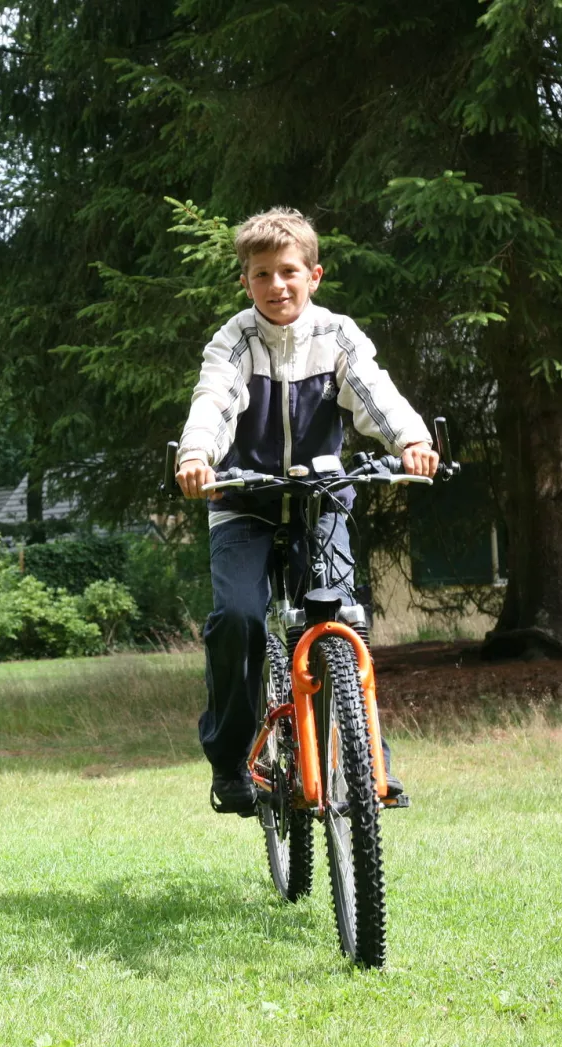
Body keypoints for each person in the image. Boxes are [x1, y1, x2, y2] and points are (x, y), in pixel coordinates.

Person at [174, 208, 438, 816]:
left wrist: (411, 441)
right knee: (239, 618)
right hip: (243, 503)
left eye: (288, 271)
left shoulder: (337, 335)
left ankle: (368, 762)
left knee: (345, 620)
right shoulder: (233, 339)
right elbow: (214, 401)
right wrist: (196, 457)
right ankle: (233, 759)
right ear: (247, 282)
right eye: (262, 274)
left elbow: (375, 392)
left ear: (313, 275)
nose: (277, 285)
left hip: (320, 502)